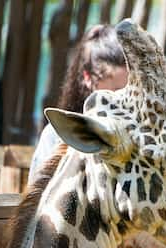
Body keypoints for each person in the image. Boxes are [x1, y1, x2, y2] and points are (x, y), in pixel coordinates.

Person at [28, 24, 128, 183]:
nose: (124, 100)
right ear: (88, 77)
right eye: (115, 91)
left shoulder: (138, 137)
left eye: (131, 90)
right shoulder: (56, 137)